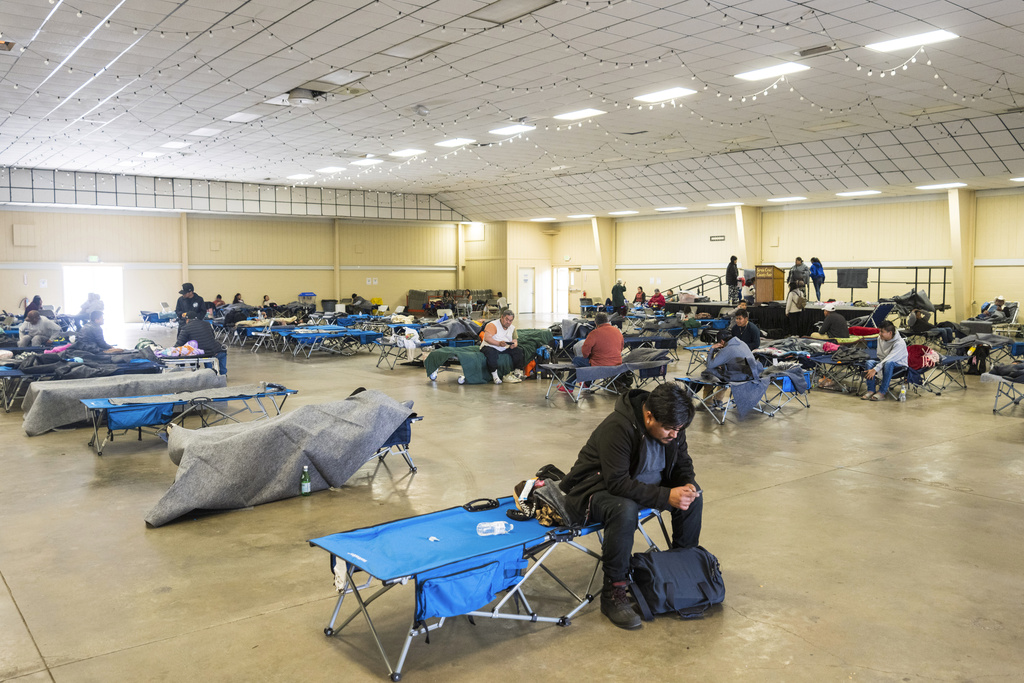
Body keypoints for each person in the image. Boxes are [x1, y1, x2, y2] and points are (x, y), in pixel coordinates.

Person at [558, 383, 701, 630]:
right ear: (648, 416)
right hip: (594, 490)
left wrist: (687, 486)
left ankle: (682, 570)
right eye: (669, 429)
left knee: (693, 497)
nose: (675, 435)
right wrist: (666, 496)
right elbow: (617, 483)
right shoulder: (618, 427)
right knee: (624, 509)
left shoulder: (674, 425)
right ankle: (614, 592)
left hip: (638, 487)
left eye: (680, 429)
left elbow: (682, 466)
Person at [561, 312, 624, 392]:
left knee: (577, 360)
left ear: (595, 322)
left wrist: (591, 355)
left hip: (600, 366)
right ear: (608, 321)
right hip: (617, 365)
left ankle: (569, 386)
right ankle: (587, 384)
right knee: (593, 363)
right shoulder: (618, 331)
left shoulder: (594, 333)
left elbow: (585, 352)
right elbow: (621, 348)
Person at [862, 321, 908, 401]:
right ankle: (871, 390)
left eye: (882, 332)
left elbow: (890, 359)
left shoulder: (899, 343)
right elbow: (880, 355)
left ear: (890, 333)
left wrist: (876, 369)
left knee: (888, 363)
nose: (879, 333)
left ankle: (882, 392)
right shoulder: (880, 338)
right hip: (884, 363)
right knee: (869, 363)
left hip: (899, 367)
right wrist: (877, 367)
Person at [480, 309, 526, 384]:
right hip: (490, 346)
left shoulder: (512, 328)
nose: (508, 322)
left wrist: (514, 345)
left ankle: (517, 372)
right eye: (507, 319)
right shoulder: (492, 325)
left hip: (504, 347)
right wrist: (498, 343)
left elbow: (515, 341)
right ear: (502, 317)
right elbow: (487, 338)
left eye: (510, 320)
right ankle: (495, 376)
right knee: (491, 353)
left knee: (519, 351)